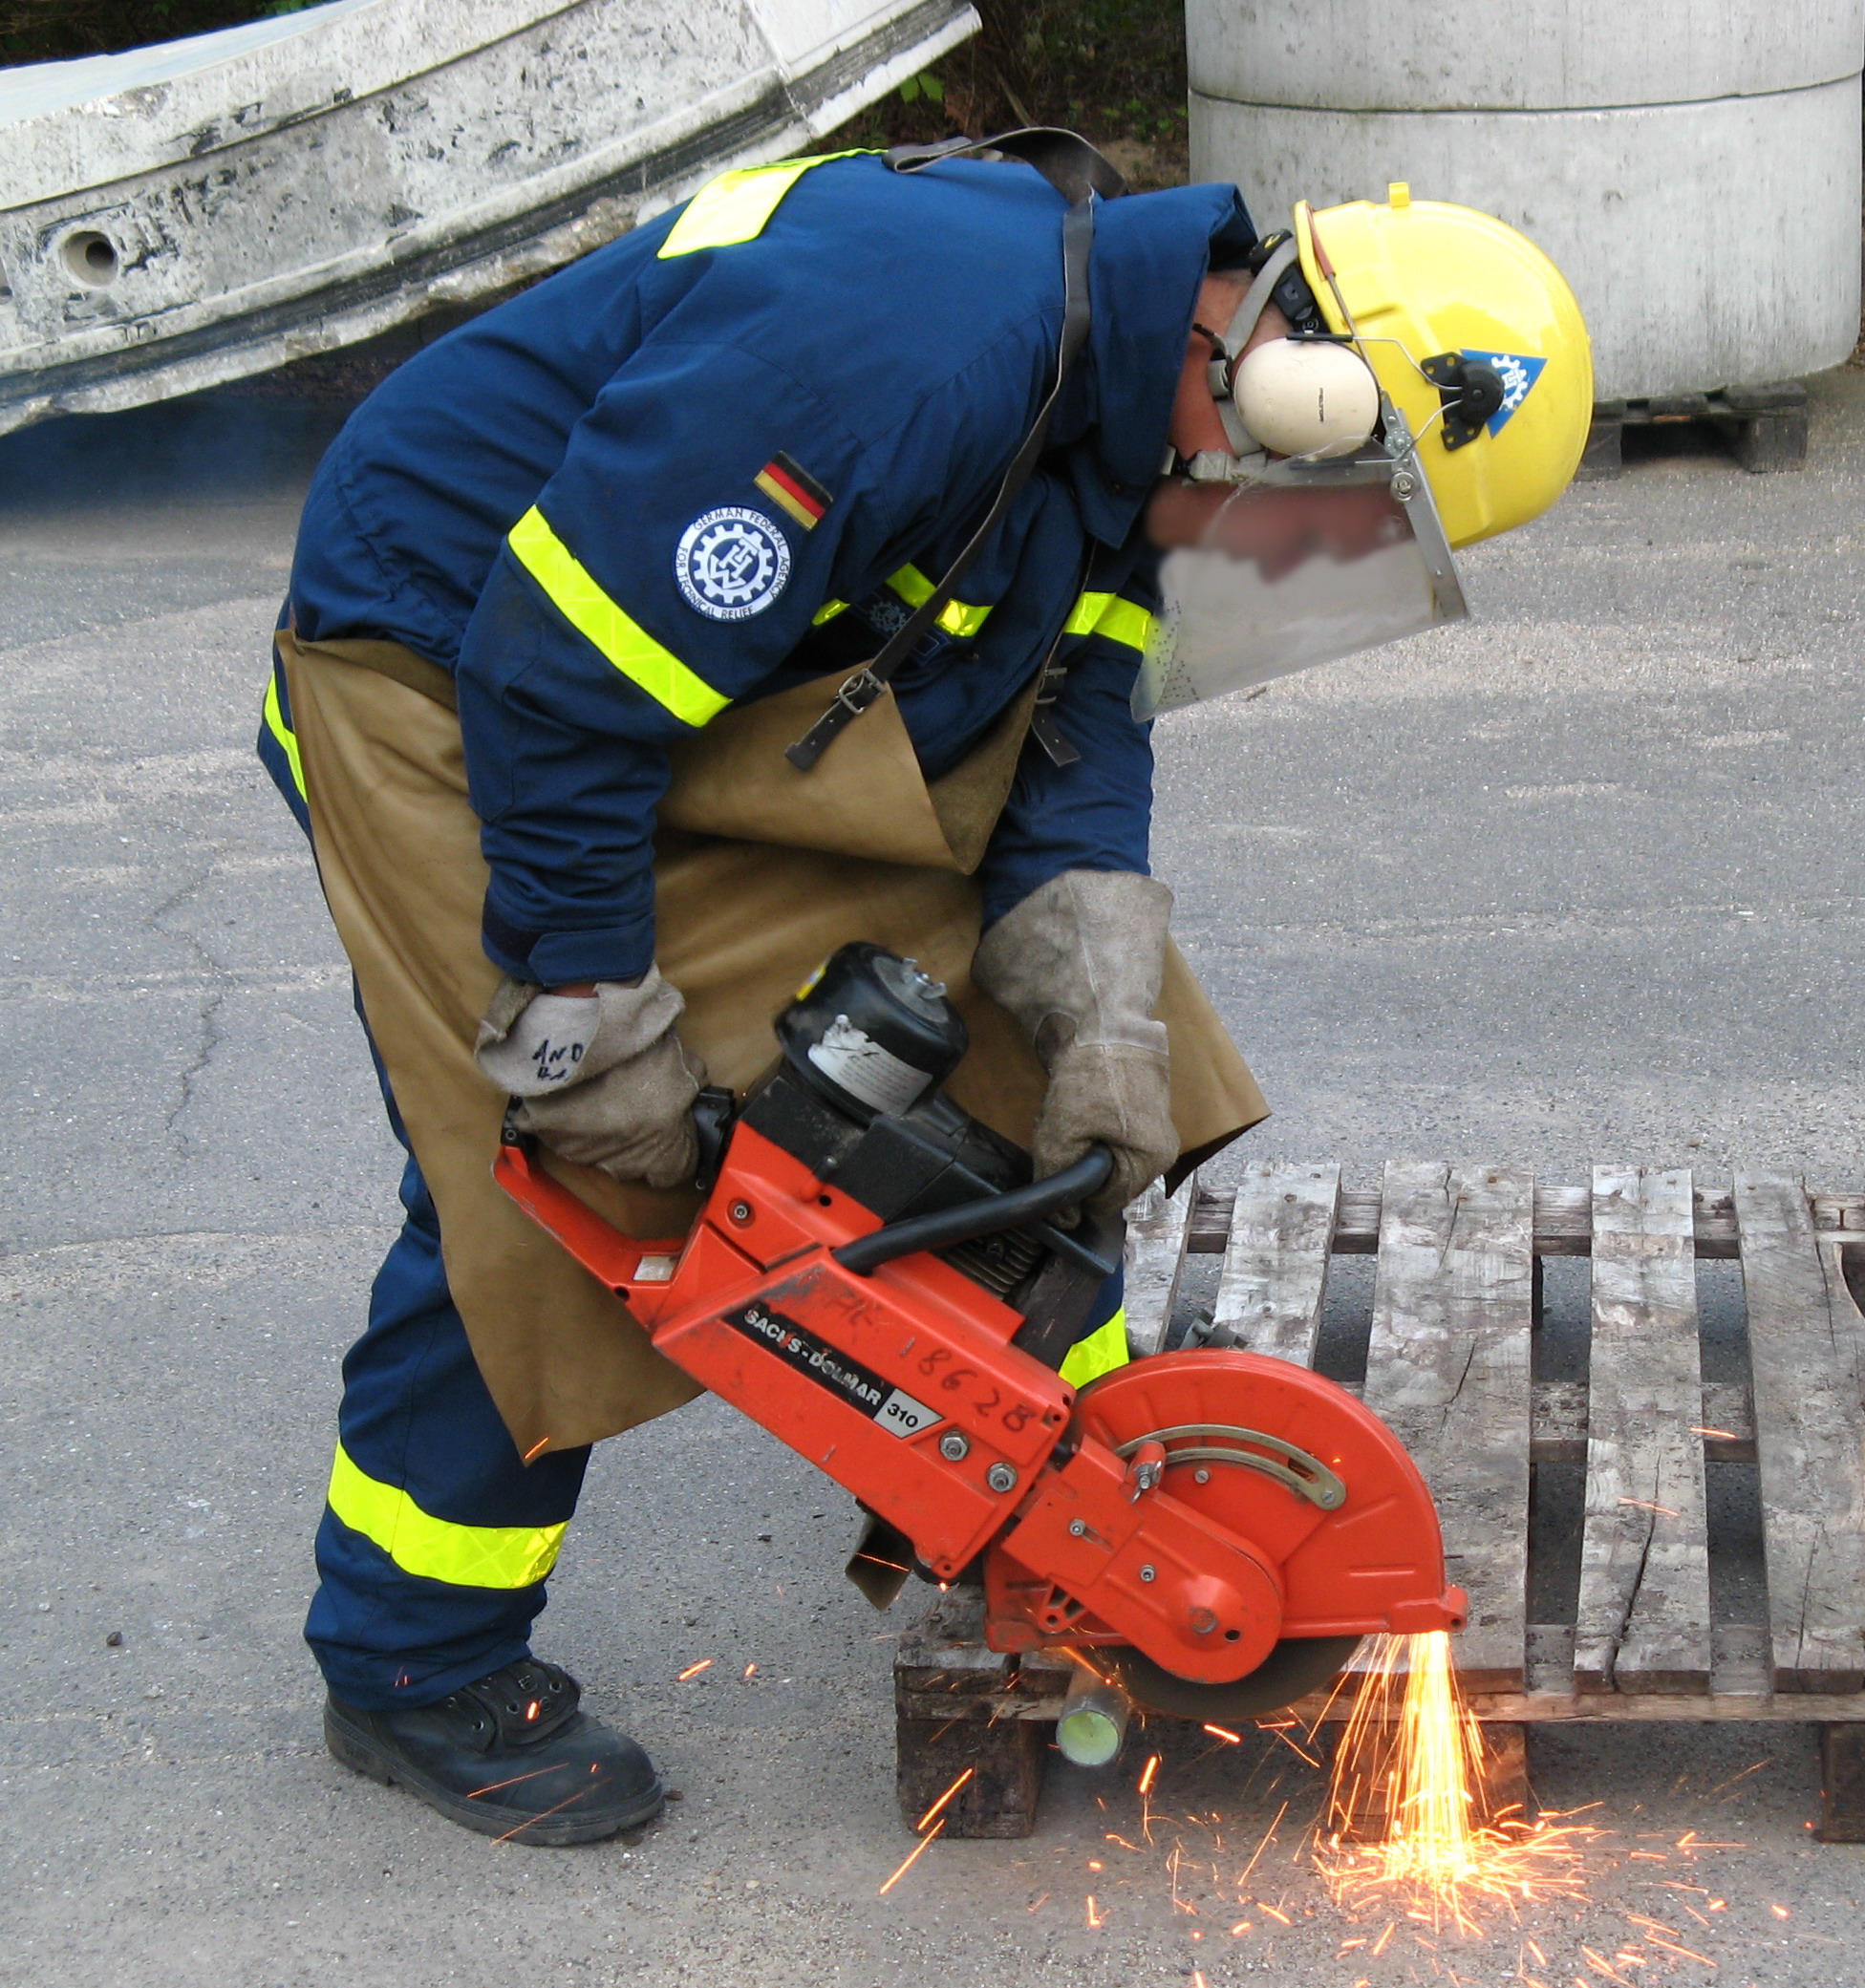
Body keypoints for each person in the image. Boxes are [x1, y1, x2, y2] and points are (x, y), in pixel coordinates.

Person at [259, 131, 1590, 1844]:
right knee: (542, 1181)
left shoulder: (1129, 407)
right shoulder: (910, 348)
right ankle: (411, 1664)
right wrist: (594, 1015)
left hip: (674, 686)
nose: (1280, 544)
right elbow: (561, 685)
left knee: (1031, 1020)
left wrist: (1094, 1001)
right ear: (1284, 372)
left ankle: (1073, 1473)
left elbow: (1078, 723)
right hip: (447, 673)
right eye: (1314, 504)